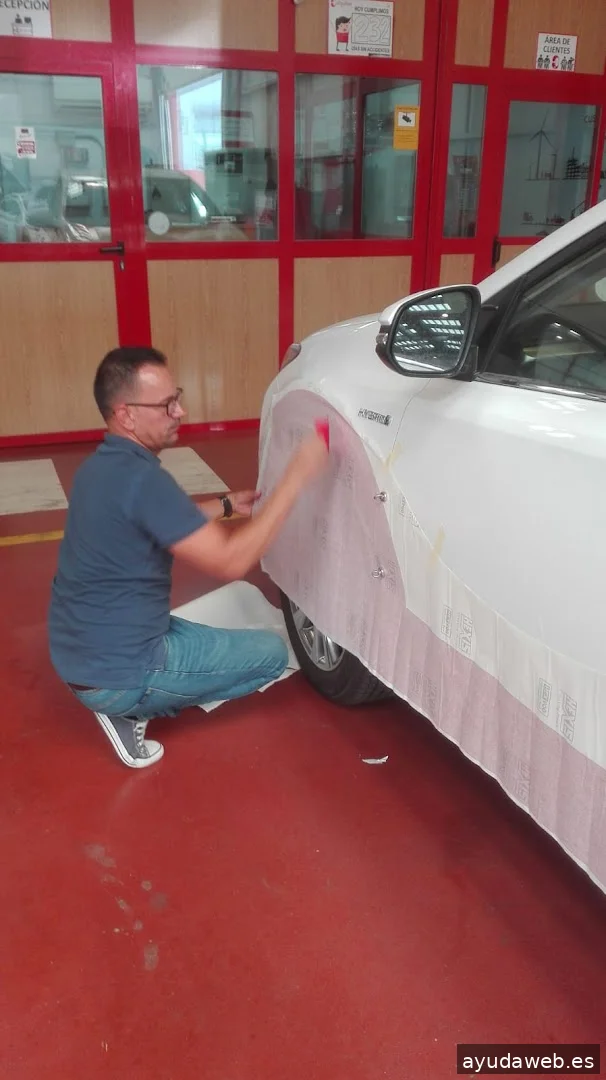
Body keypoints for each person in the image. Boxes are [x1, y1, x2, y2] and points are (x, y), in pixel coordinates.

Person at [48, 346, 328, 769]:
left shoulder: (100, 468)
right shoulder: (144, 481)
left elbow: (155, 518)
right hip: (118, 673)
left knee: (218, 639)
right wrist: (299, 474)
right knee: (271, 654)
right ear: (126, 415)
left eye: (176, 397)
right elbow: (232, 560)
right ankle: (129, 710)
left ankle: (127, 694)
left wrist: (226, 506)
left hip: (80, 650)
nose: (180, 411)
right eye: (166, 405)